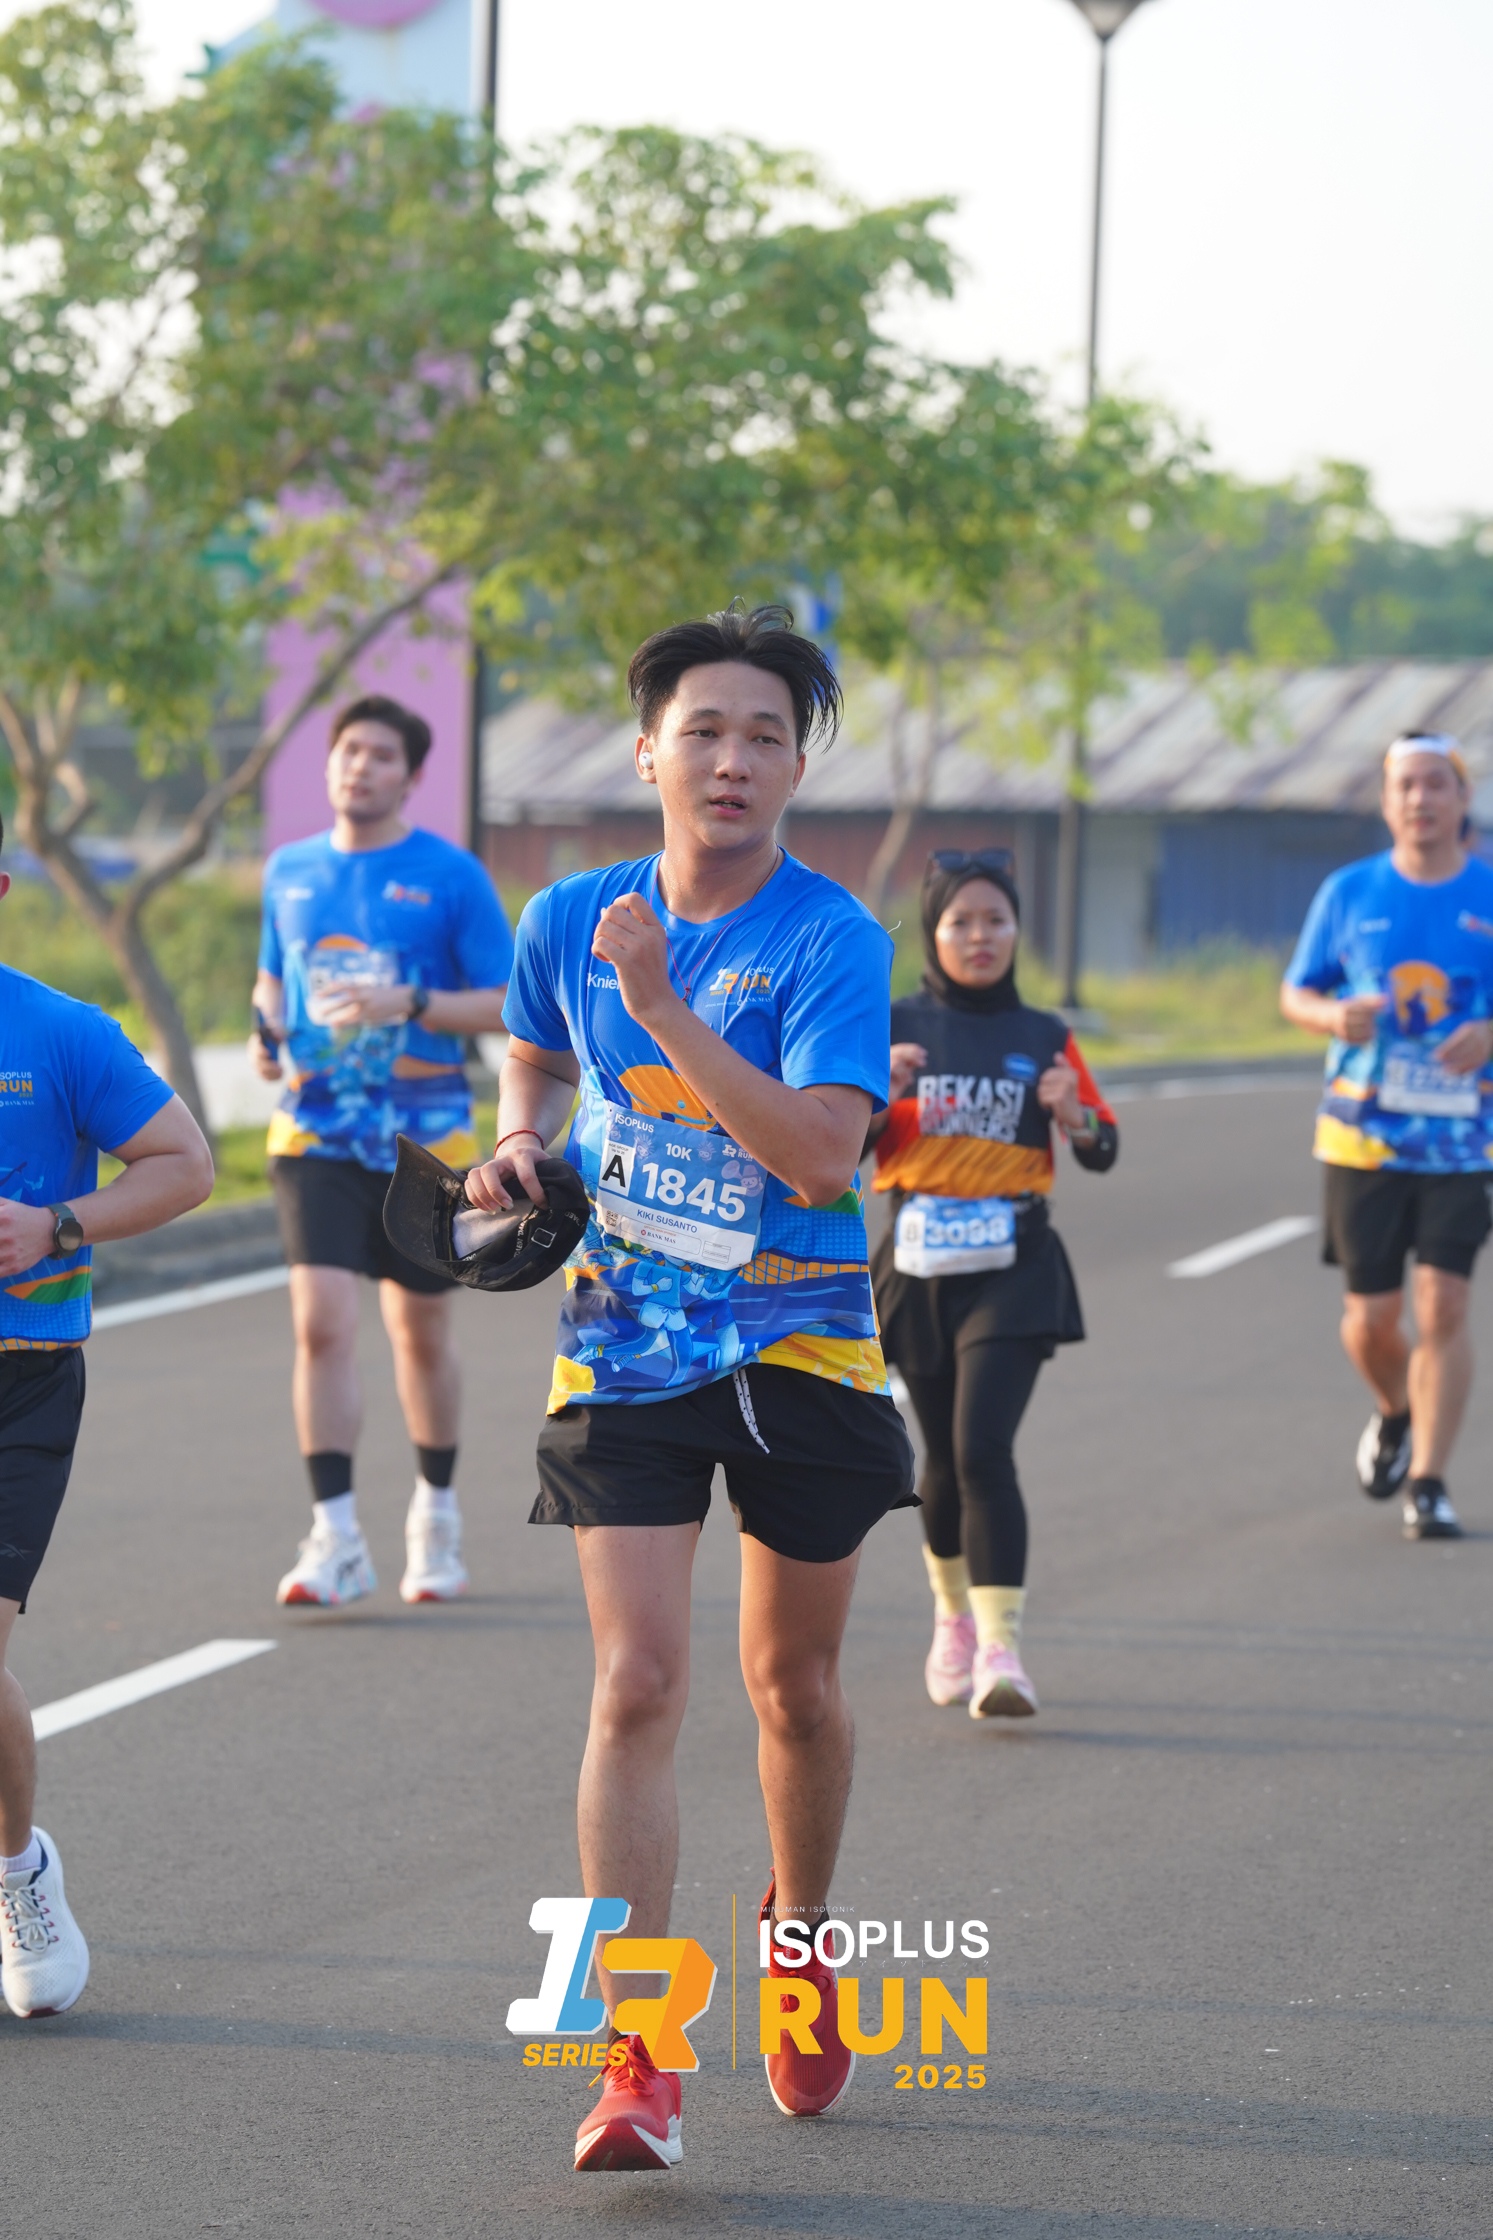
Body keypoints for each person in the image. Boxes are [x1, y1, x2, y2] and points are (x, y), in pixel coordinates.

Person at [465, 604, 915, 2171]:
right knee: (638, 1684)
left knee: (792, 1690)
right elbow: (535, 1052)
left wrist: (660, 1007)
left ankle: (800, 1938)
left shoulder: (831, 939)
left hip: (801, 1346)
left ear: (797, 768)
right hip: (626, 1342)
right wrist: (519, 1141)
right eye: (703, 731)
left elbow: (821, 1154)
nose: (732, 760)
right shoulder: (566, 916)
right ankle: (637, 2058)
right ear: (647, 748)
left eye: (765, 737)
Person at [0, 816, 214, 2017]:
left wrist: (57, 1224)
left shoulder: (61, 1030)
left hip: (21, 1374)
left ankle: (18, 1869)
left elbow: (185, 1162)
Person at [251, 695, 514, 1608]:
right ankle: (334, 1537)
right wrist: (264, 1033)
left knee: (420, 1331)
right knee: (320, 1324)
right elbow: (272, 979)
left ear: (412, 775)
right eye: (348, 750)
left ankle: (435, 1515)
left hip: (423, 1140)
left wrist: (412, 1003)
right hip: (313, 1132)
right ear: (328, 764)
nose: (359, 766)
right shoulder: (288, 870)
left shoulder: (450, 876)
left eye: (380, 755)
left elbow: (507, 1003)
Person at [867, 851, 1117, 1720]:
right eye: (960, 922)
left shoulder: (1044, 1034)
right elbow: (832, 1149)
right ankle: (953, 1622)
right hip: (917, 1261)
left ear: (1016, 931)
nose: (980, 937)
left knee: (982, 1449)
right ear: (933, 933)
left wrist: (1073, 1115)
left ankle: (1002, 1650)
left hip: (1013, 1262)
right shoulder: (891, 1024)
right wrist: (876, 1096)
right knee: (938, 1457)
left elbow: (1101, 1146)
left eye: (996, 921)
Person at [1281, 731, 1493, 1542]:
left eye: (1435, 783)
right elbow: (1296, 992)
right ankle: (1395, 1408)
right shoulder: (1348, 891)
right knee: (1369, 1319)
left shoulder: (1485, 893)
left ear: (1460, 797)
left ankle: (1428, 1482)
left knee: (1444, 1302)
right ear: (1385, 801)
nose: (1420, 798)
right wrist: (1331, 1014)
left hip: (1463, 1140)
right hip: (1361, 1138)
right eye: (1405, 785)